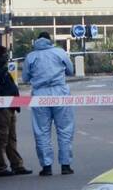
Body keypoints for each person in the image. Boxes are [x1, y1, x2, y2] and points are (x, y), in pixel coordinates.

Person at [21, 32, 74, 176]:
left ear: (36, 41)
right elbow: (71, 71)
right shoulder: (60, 52)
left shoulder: (31, 56)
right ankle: (65, 165)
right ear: (50, 41)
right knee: (65, 129)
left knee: (42, 131)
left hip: (39, 95)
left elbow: (25, 78)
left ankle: (46, 166)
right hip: (60, 93)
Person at [0, 44, 30, 176]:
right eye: (5, 54)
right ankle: (1, 167)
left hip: (9, 108)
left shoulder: (1, 70)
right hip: (1, 110)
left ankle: (17, 165)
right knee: (2, 139)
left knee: (11, 138)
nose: (7, 57)